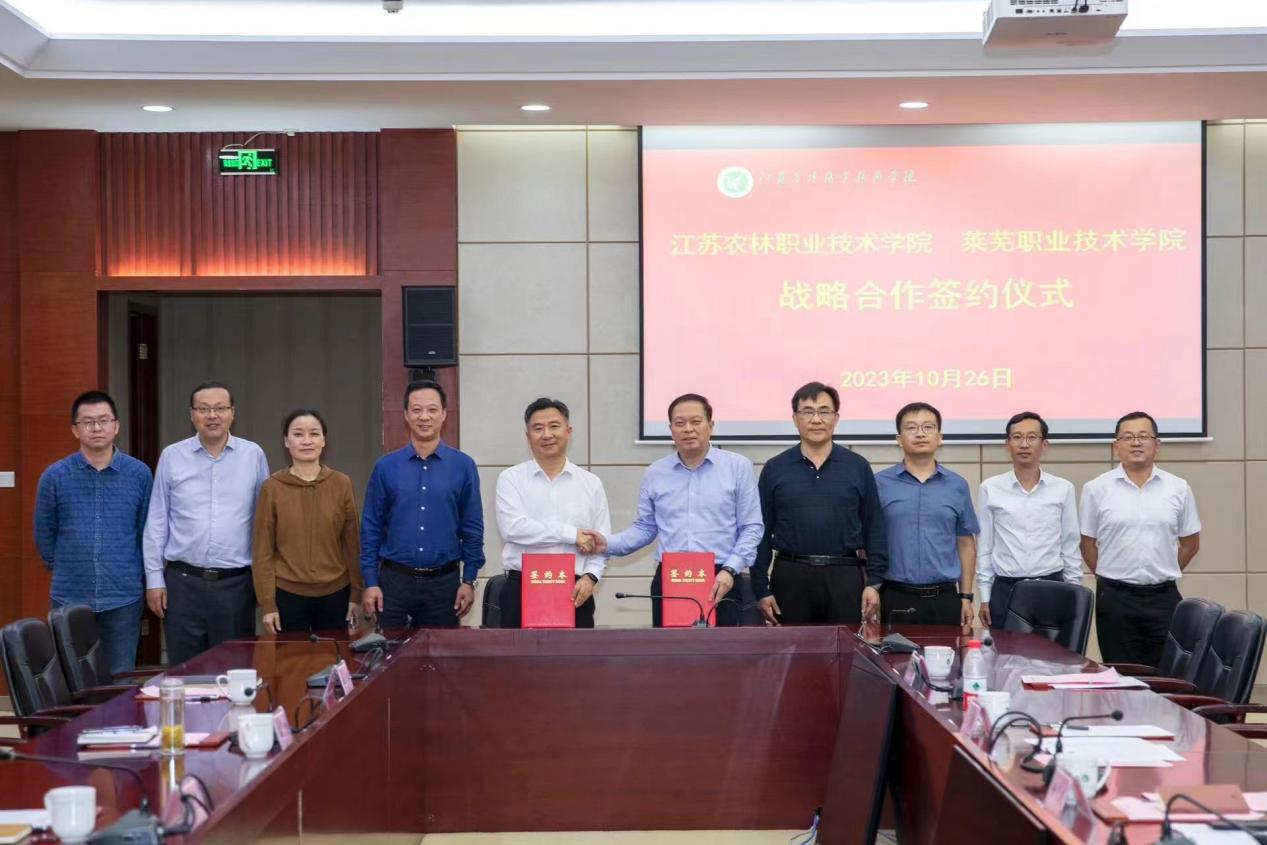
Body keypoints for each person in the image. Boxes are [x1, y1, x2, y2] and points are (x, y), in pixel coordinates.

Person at [586, 393, 762, 627]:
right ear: (671, 429)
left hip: (721, 578)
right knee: (671, 649)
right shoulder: (656, 473)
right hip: (671, 578)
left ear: (710, 426)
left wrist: (731, 569)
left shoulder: (738, 467)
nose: (688, 429)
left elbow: (751, 527)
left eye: (695, 421)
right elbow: (645, 528)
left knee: (722, 650)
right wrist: (607, 543)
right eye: (680, 423)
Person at [143, 381, 270, 665]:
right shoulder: (172, 456)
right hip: (182, 584)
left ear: (232, 413)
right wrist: (154, 579)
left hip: (236, 586)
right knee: (185, 671)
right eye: (203, 409)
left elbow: (264, 523)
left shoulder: (253, 455)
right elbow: (157, 520)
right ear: (192, 415)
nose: (212, 415)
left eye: (220, 408)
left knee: (234, 670)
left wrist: (264, 583)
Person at [34, 390, 153, 675]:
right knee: (74, 680)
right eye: (88, 422)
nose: (96, 428)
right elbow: (44, 533)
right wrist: (67, 565)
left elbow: (145, 531)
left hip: (123, 595)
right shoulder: (55, 476)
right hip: (69, 596)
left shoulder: (139, 474)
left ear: (116, 426)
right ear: (75, 430)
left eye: (103, 420)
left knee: (120, 676)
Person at [752, 381, 887, 626]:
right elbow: (761, 530)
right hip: (790, 575)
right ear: (795, 419)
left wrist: (874, 582)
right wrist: (761, 587)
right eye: (808, 412)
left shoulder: (857, 466)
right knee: (792, 648)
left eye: (824, 411)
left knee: (843, 647)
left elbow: (874, 526)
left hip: (845, 576)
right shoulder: (775, 468)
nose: (816, 419)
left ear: (836, 418)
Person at [360, 379, 484, 628]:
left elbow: (472, 528)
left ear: (444, 414)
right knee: (391, 651)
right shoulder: (385, 467)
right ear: (406, 415)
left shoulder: (463, 466)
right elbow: (371, 528)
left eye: (432, 409)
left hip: (444, 585)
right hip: (393, 583)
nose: (424, 417)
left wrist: (469, 580)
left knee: (441, 653)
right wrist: (371, 582)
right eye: (416, 410)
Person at [1080, 411, 1200, 666]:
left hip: (1164, 597)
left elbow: (1190, 543)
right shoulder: (1096, 489)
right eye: (1128, 437)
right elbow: (1087, 544)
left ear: (1157, 445)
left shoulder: (1178, 488)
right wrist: (1108, 575)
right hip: (1115, 599)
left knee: (1167, 673)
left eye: (1144, 436)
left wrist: (1162, 568)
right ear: (1116, 446)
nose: (1136, 443)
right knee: (1122, 675)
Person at [494, 398, 611, 628]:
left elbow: (601, 542)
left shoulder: (591, 483)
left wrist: (591, 577)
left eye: (554, 426)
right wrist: (572, 534)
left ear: (568, 432)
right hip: (522, 588)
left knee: (575, 653)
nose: (547, 434)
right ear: (528, 436)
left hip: (575, 590)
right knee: (519, 653)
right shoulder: (511, 479)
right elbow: (513, 528)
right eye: (538, 428)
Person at [252, 409, 363, 634]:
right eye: (298, 434)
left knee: (334, 655)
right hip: (287, 595)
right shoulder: (272, 487)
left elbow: (352, 543)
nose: (306, 441)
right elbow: (262, 551)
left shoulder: (341, 483)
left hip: (336, 595)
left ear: (324, 440)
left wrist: (356, 594)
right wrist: (268, 604)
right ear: (286, 441)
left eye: (314, 434)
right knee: (291, 657)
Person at [874, 402, 978, 627]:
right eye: (911, 427)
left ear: (939, 437)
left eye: (928, 427)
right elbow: (868, 543)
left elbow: (965, 543)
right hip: (894, 597)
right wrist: (871, 588)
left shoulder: (957, 485)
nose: (920, 434)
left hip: (945, 599)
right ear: (899, 439)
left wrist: (966, 596)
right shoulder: (879, 484)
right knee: (893, 652)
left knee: (948, 652)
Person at [976, 412, 1082, 629]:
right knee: (1004, 651)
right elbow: (985, 546)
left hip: (1052, 588)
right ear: (1007, 444)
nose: (1024, 444)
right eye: (1017, 437)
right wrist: (985, 596)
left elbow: (1070, 544)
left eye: (1032, 437)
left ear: (1045, 444)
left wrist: (1074, 590)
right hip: (1005, 590)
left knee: (1052, 651)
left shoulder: (1063, 489)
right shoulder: (990, 488)